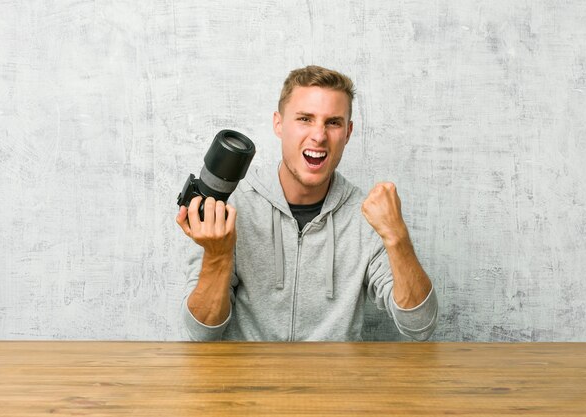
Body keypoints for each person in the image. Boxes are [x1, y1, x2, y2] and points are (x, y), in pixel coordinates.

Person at [176, 65, 438, 341]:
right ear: (279, 124)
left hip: (335, 381)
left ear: (348, 133)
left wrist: (398, 238)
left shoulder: (368, 216)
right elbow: (201, 332)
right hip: (248, 381)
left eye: (333, 122)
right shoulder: (230, 209)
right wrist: (218, 256)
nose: (319, 135)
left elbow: (419, 327)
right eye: (305, 119)